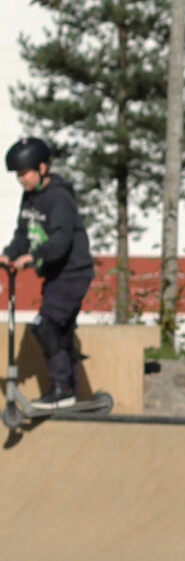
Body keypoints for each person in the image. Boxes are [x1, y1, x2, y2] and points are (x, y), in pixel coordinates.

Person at [3, 137, 94, 408]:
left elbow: (61, 240)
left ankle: (62, 389)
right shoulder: (30, 198)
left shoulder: (58, 197)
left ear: (42, 168)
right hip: (55, 275)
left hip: (73, 271)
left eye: (24, 173)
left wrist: (34, 257)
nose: (21, 180)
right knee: (60, 331)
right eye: (17, 175)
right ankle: (71, 393)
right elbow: (23, 233)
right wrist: (10, 253)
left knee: (47, 326)